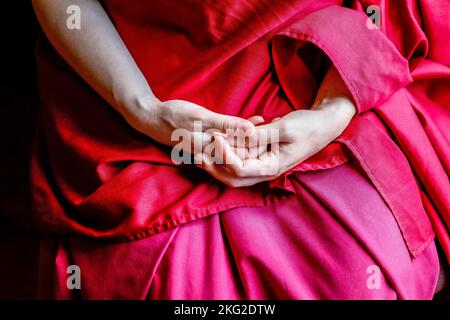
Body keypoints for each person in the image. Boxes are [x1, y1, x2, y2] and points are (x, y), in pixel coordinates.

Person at [31, 0, 449, 299]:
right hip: (137, 96)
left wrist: (330, 112)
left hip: (323, 74)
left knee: (356, 280)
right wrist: (142, 109)